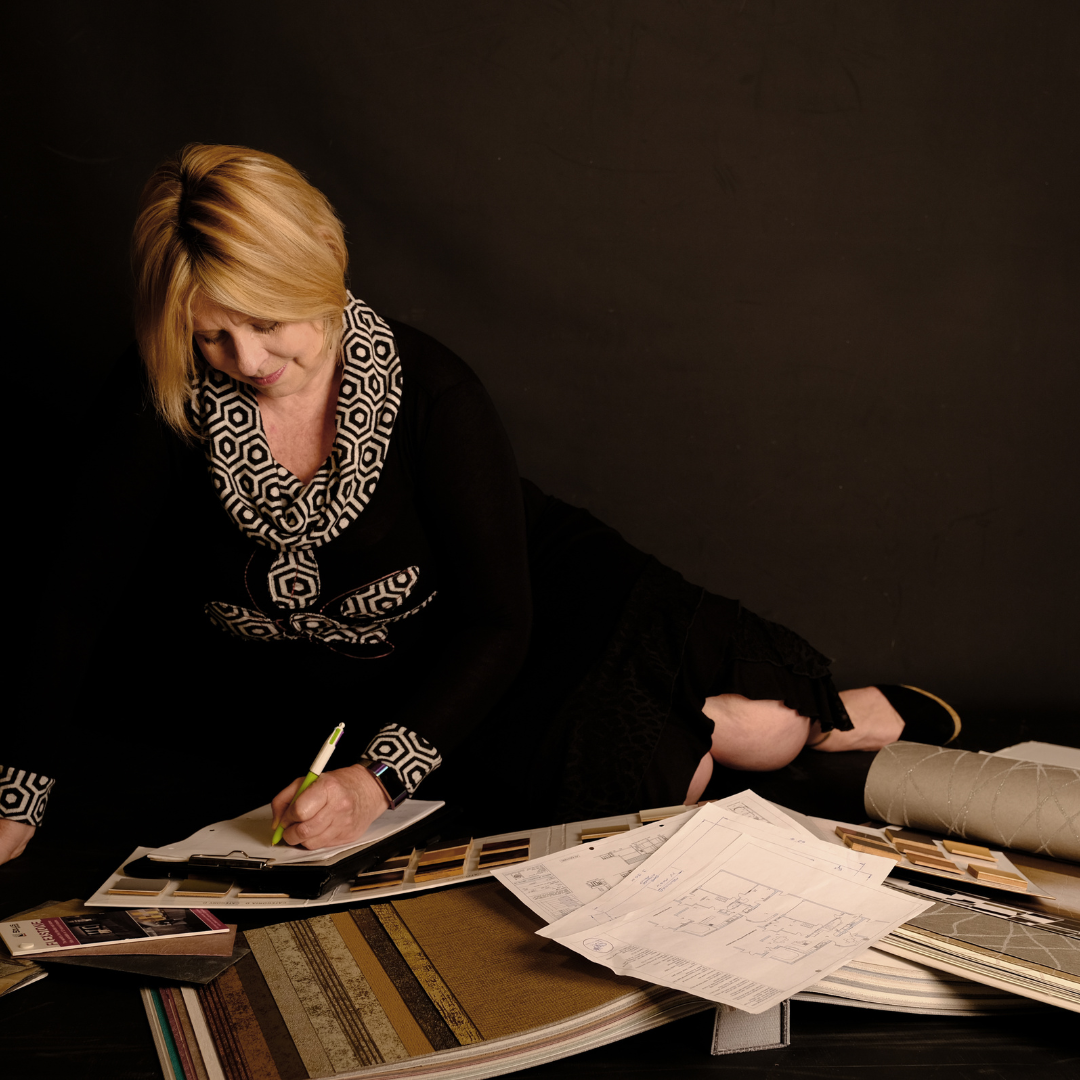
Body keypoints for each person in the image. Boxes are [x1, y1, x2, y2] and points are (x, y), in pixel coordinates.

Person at [0, 144, 961, 866]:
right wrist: (16, 799)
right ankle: (724, 727)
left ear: (321, 271)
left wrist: (376, 781)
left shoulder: (437, 392)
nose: (246, 362)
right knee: (683, 772)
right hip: (357, 679)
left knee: (764, 728)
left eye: (266, 321)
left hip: (507, 609)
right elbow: (71, 603)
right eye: (213, 338)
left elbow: (499, 621)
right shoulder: (155, 396)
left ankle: (835, 721)